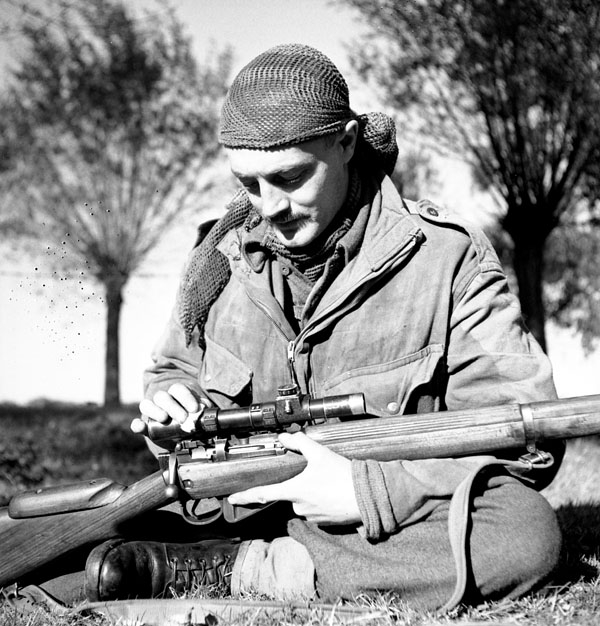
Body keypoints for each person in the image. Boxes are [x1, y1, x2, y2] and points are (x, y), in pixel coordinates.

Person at [85, 44, 563, 611]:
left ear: (347, 142)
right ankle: (227, 559)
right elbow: (171, 372)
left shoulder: (447, 258)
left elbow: (525, 436)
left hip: (385, 525)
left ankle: (245, 570)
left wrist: (366, 493)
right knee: (74, 543)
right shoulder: (216, 261)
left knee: (520, 533)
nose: (268, 208)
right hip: (234, 508)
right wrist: (169, 405)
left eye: (289, 177)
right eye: (248, 183)